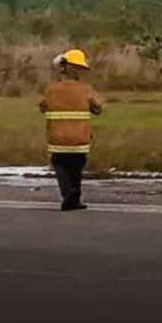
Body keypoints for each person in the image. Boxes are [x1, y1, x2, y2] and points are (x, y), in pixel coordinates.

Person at [39, 49, 103, 211]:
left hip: (58, 139)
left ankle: (69, 193)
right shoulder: (85, 89)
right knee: (76, 168)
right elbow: (98, 108)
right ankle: (75, 198)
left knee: (59, 164)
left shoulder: (52, 89)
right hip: (80, 139)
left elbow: (42, 106)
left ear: (63, 67)